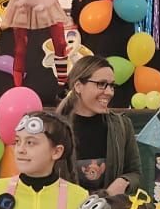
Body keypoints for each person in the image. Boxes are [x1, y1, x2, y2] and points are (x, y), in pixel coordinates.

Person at [58, 56, 144, 196]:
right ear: (78, 86)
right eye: (101, 84)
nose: (109, 92)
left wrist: (124, 181)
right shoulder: (56, 128)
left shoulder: (122, 126)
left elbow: (135, 174)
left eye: (111, 86)